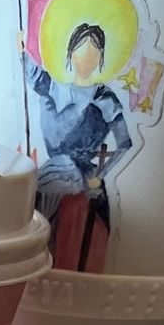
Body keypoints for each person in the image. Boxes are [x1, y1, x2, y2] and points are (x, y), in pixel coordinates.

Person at [22, 19, 133, 260]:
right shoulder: (53, 86)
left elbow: (124, 143)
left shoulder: (104, 97)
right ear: (70, 53)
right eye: (82, 50)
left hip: (85, 179)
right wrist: (22, 44)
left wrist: (99, 176)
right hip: (51, 173)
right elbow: (30, 71)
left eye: (94, 52)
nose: (86, 58)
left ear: (101, 57)